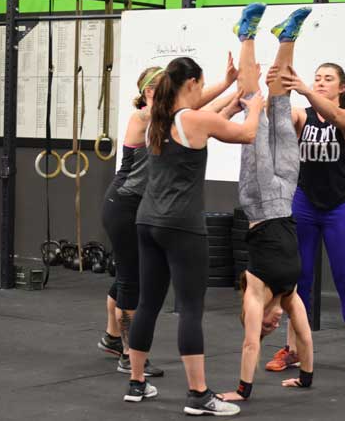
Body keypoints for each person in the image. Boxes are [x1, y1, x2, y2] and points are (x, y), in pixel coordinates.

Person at [124, 54, 265, 417]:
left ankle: (137, 384)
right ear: (191, 85)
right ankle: (199, 395)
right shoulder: (194, 118)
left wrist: (232, 92)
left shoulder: (156, 117)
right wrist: (255, 106)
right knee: (190, 309)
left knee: (148, 305)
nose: (203, 90)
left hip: (147, 222)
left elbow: (208, 116)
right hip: (182, 226)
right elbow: (247, 134)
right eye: (201, 84)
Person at [218, 3, 315, 402]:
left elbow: (249, 346)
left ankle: (245, 34)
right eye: (275, 327)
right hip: (288, 194)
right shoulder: (290, 294)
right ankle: (287, 37)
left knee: (252, 102)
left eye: (267, 327)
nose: (274, 325)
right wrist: (306, 378)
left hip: (258, 199)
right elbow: (306, 338)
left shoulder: (255, 293)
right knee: (279, 107)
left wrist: (243, 390)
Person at [264, 60, 345, 379]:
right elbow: (277, 115)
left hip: (338, 207)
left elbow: (338, 116)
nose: (321, 82)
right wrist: (276, 88)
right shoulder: (303, 116)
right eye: (317, 78)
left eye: (328, 79)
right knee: (298, 280)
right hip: (305, 204)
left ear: (341, 87)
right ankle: (293, 350)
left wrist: (306, 89)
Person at [98, 66, 165, 377]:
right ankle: (128, 354)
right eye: (168, 86)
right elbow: (191, 107)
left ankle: (112, 337)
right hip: (123, 205)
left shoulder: (160, 116)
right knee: (131, 280)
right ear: (150, 91)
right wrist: (230, 86)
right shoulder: (143, 116)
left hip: (136, 206)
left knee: (130, 272)